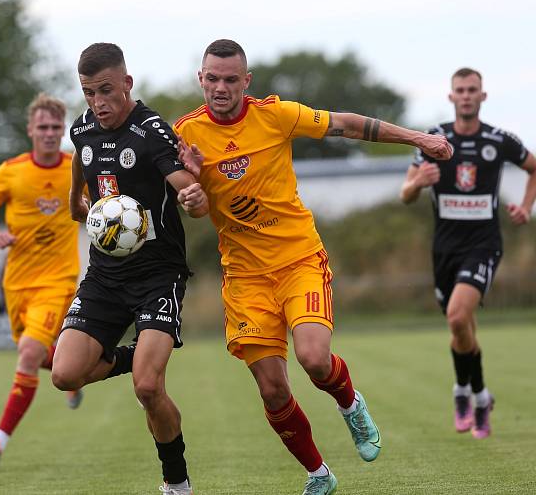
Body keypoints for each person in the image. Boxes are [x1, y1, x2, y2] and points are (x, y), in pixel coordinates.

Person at [174, 39, 453, 495]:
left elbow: (345, 124)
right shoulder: (184, 133)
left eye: (230, 79)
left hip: (298, 259)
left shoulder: (276, 115)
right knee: (272, 391)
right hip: (244, 278)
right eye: (212, 78)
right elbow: (198, 209)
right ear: (200, 79)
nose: (220, 87)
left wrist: (418, 138)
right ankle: (319, 475)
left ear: (247, 82)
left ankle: (350, 404)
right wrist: (193, 195)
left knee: (313, 359)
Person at [50, 42, 208, 495]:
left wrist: (194, 195)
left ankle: (176, 484)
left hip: (158, 275)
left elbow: (189, 193)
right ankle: (132, 354)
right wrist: (77, 206)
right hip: (105, 276)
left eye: (106, 91)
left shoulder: (151, 131)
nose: (98, 103)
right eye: (88, 93)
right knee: (64, 375)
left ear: (126, 83)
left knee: (148, 387)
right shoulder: (83, 128)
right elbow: (81, 172)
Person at [400, 67, 536, 439]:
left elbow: (533, 167)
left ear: (482, 96)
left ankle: (463, 391)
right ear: (450, 96)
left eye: (472, 89)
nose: (466, 95)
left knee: (458, 318)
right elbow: (405, 194)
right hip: (444, 249)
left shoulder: (499, 140)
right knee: (461, 329)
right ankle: (479, 394)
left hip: (484, 245)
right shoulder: (433, 139)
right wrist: (417, 183)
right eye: (460, 89)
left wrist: (526, 207)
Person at [0, 93, 83, 467]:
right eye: (43, 127)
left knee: (29, 353)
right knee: (35, 355)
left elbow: (105, 201)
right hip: (17, 283)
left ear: (62, 129)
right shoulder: (12, 171)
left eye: (56, 127)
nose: (50, 134)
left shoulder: (77, 166)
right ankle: (76, 372)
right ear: (31, 130)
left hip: (58, 280)